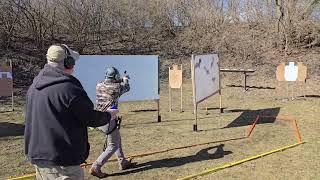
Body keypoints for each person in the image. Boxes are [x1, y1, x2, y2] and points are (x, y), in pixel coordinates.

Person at [24, 44, 118, 180]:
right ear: (68, 62)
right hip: (62, 163)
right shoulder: (68, 87)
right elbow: (90, 118)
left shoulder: (35, 86)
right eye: (72, 61)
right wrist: (109, 115)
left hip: (40, 159)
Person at [90, 67, 135, 178]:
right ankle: (96, 167)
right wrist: (125, 79)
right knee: (113, 145)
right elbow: (127, 87)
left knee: (117, 139)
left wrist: (120, 79)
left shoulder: (99, 84)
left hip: (98, 118)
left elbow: (112, 83)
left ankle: (123, 162)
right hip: (108, 120)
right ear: (115, 77)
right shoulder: (117, 88)